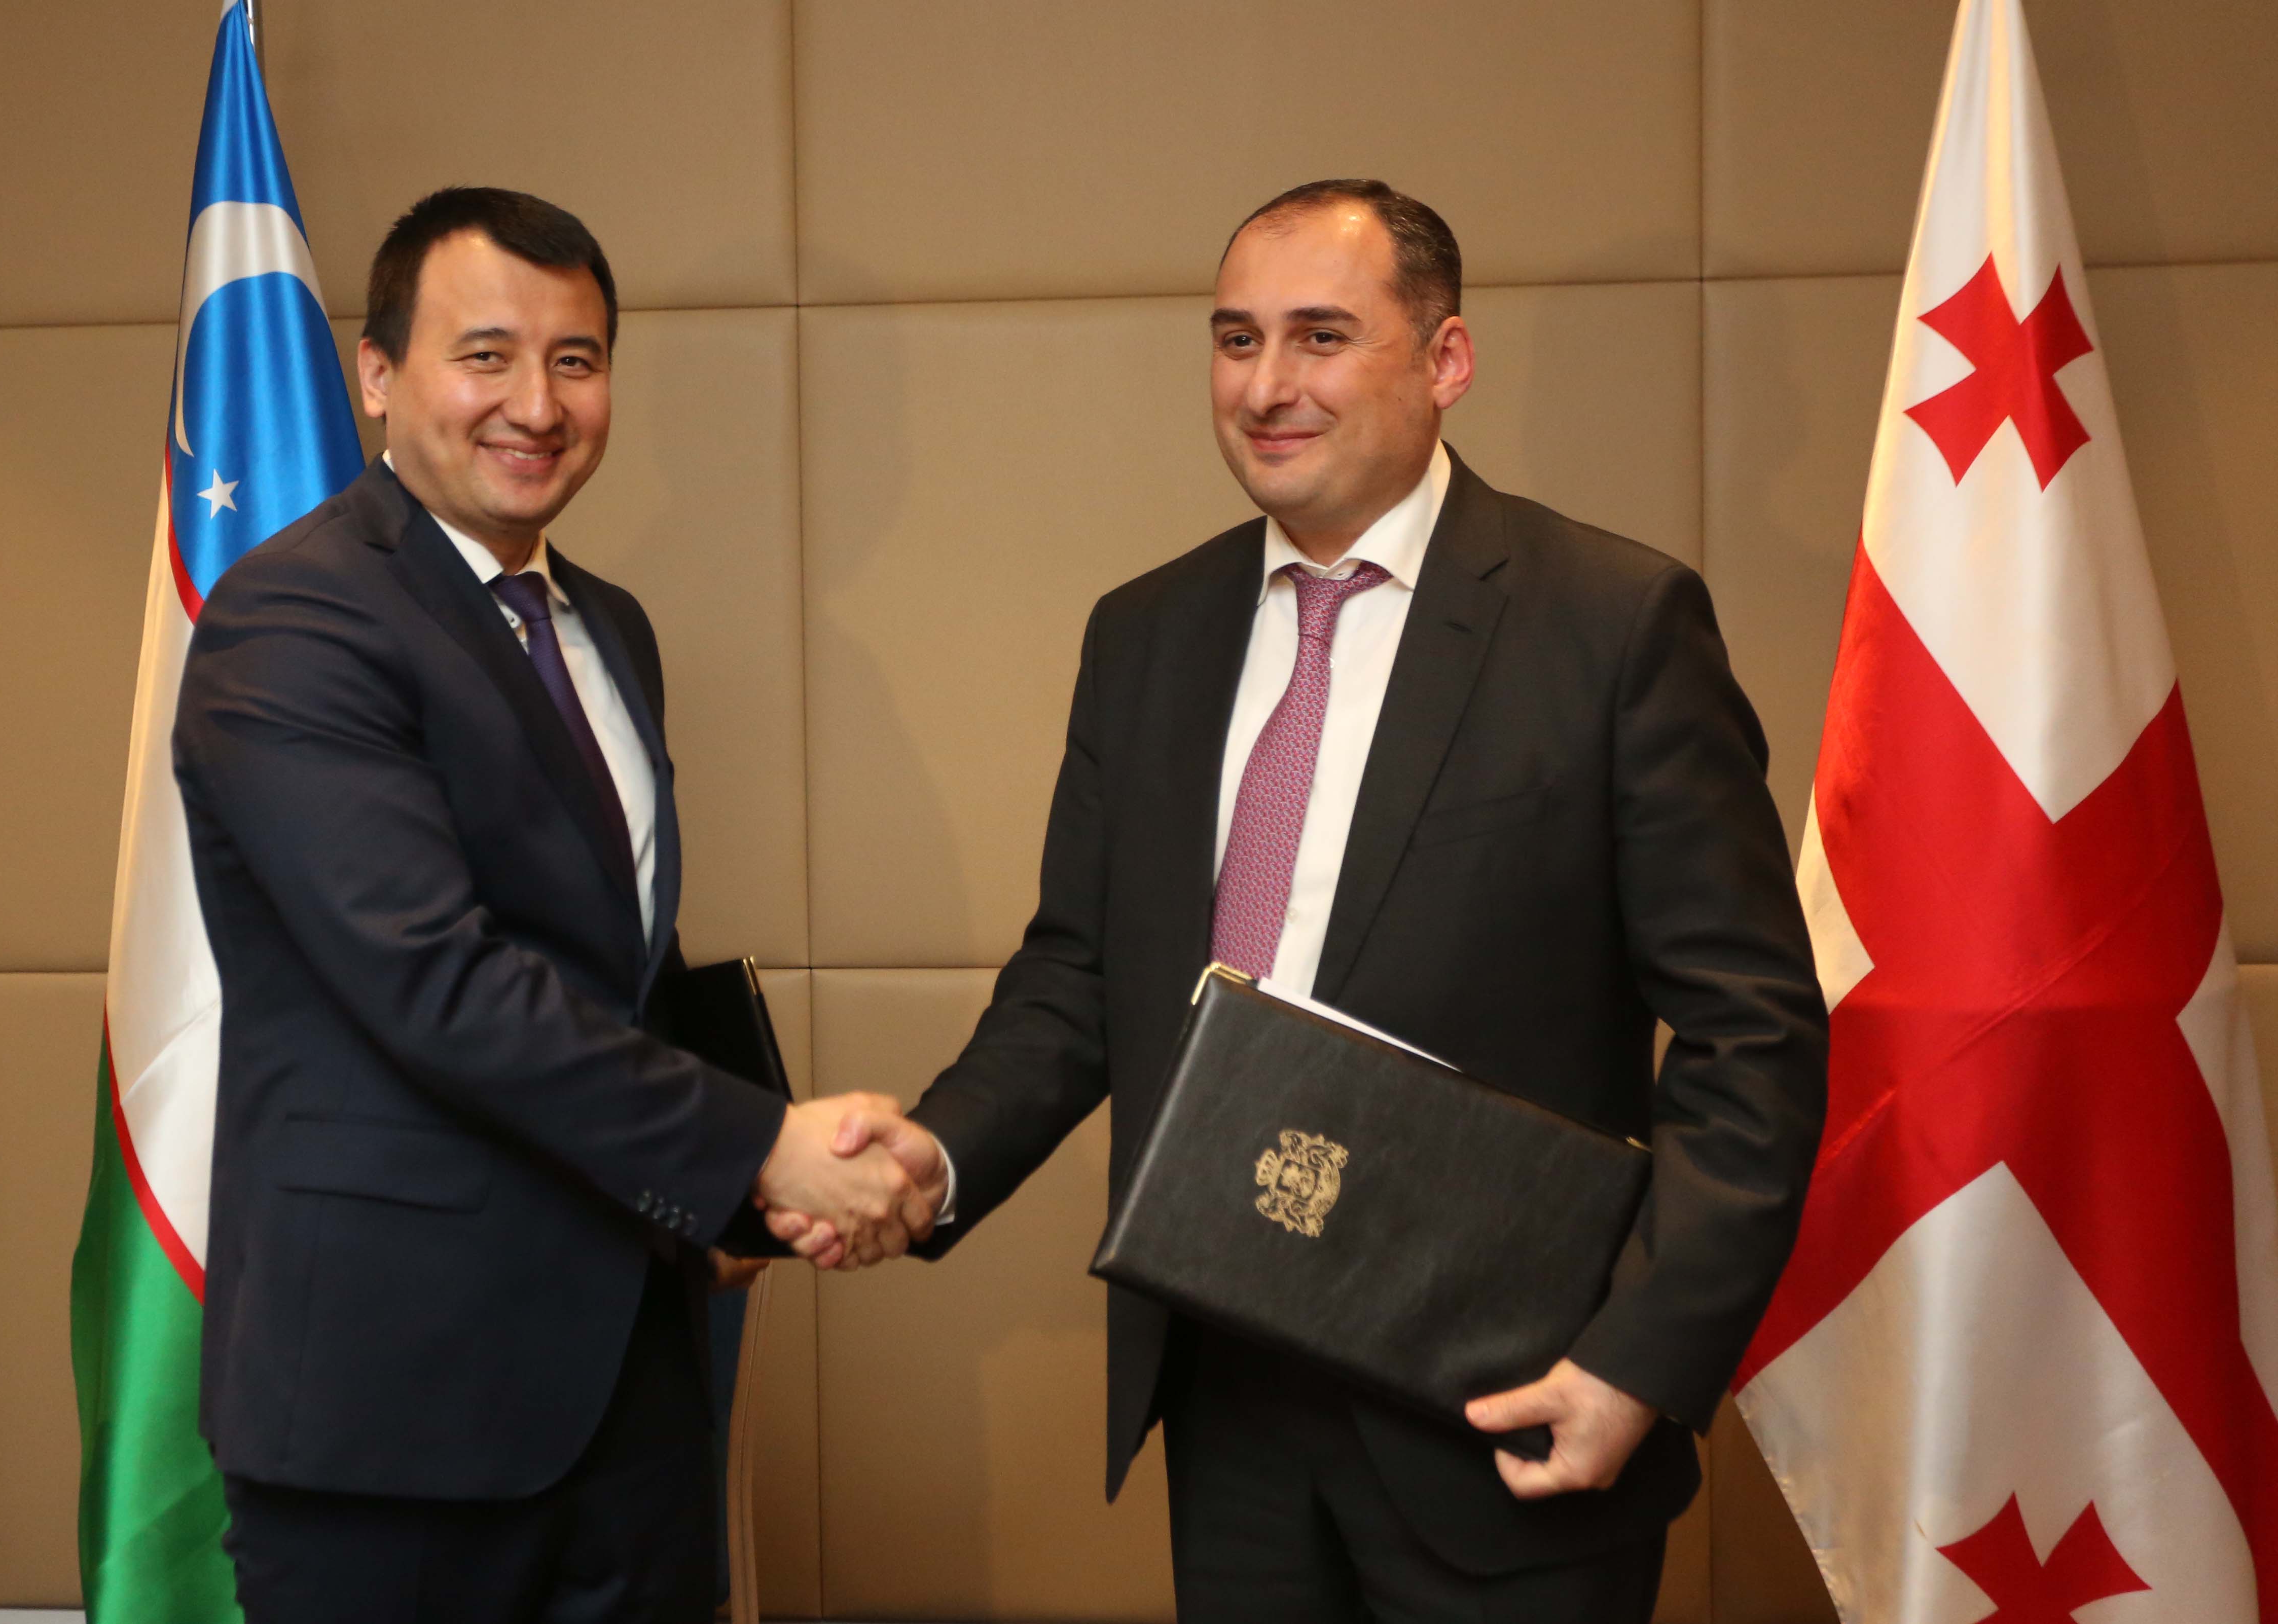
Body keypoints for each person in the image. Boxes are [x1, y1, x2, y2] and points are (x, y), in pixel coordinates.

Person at [774, 180, 1829, 1620]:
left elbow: (1752, 1034)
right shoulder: (1146, 634)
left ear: (1446, 359)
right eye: (1236, 339)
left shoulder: (1613, 624)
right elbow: (1082, 974)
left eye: (1321, 336)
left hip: (1509, 1401)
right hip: (1228, 1390)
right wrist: (935, 1156)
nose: (1267, 385)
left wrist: (1642, 1357)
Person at [173, 187, 924, 1624]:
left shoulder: (608, 625)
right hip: (394, 1400)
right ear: (378, 374)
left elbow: (607, 964)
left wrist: (736, 1186)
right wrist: (760, 1145)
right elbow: (435, 979)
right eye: (486, 356)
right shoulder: (298, 617)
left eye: (575, 360)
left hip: (629, 1378)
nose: (537, 404)